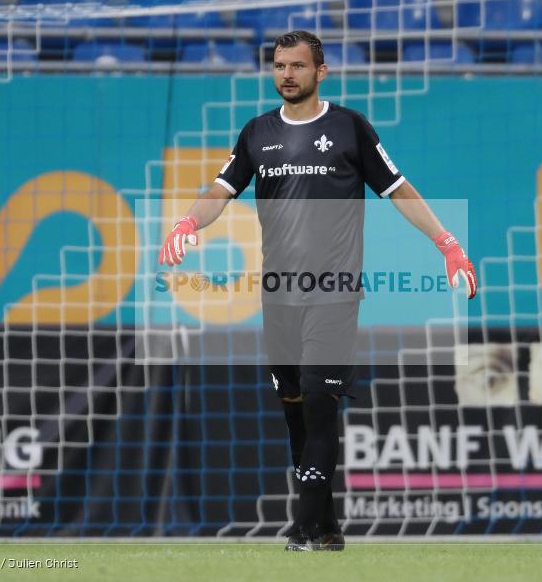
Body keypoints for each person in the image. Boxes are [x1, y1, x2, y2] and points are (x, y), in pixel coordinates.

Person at [158, 30, 477, 551]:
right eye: (280, 65)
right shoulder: (256, 133)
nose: (287, 74)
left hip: (334, 288)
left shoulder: (349, 128)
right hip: (277, 292)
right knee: (294, 409)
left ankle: (302, 528)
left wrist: (447, 244)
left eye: (298, 66)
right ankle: (327, 526)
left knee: (320, 401)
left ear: (320, 71)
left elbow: (400, 190)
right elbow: (222, 189)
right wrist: (188, 223)